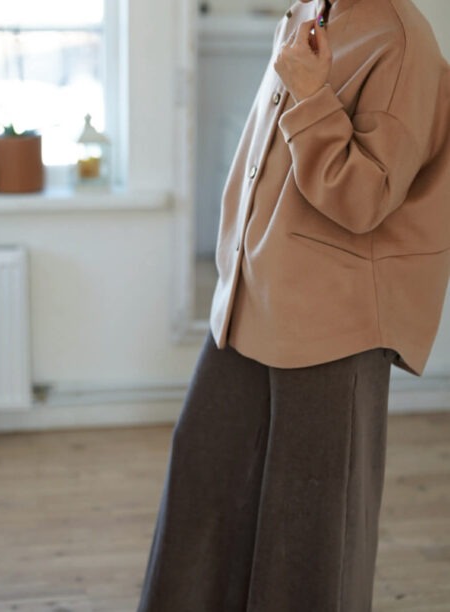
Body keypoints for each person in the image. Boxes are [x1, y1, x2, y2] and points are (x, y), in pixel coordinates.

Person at [137, 0, 450, 610]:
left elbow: (366, 198)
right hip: (250, 297)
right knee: (203, 484)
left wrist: (310, 96)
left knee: (310, 528)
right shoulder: (309, 10)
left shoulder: (400, 39)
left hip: (334, 324)